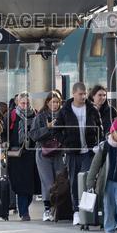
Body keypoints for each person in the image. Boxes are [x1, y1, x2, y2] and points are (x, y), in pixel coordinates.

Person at [54, 82, 102, 225]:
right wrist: (66, 142)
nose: (83, 96)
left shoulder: (92, 109)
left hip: (88, 151)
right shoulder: (65, 110)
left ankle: (86, 211)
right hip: (72, 152)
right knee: (74, 181)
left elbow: (100, 128)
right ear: (74, 94)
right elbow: (56, 130)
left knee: (87, 180)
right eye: (80, 94)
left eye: (85, 94)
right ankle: (76, 211)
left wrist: (98, 143)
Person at [29, 91, 65, 221]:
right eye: (52, 102)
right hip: (43, 151)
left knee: (60, 181)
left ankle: (59, 209)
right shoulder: (40, 116)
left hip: (59, 151)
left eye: (57, 102)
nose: (55, 105)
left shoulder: (63, 115)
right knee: (47, 181)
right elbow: (33, 134)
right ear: (47, 102)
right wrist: (48, 128)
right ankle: (47, 209)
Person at [6, 93, 38, 221]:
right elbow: (4, 132)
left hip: (31, 153)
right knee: (20, 185)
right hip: (16, 155)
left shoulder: (35, 115)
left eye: (27, 103)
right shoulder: (12, 116)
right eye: (22, 103)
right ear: (18, 103)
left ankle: (24, 208)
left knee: (30, 185)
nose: (25, 106)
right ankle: (24, 212)